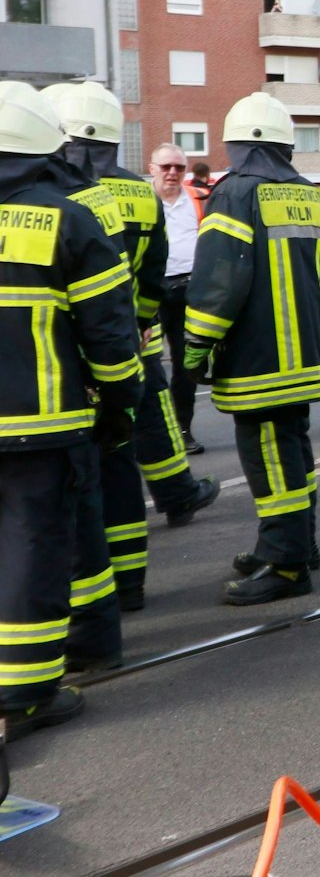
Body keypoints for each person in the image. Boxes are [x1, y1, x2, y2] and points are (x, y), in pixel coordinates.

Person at [0, 84, 143, 738]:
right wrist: (119, 404)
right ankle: (27, 692)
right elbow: (110, 335)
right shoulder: (68, 219)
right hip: (42, 426)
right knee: (33, 546)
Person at [44, 84, 219, 611]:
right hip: (126, 341)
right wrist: (139, 324)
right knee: (128, 445)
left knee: (72, 477)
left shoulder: (49, 195)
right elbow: (153, 272)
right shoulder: (139, 196)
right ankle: (131, 581)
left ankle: (80, 597)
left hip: (59, 361)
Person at [183, 93, 320, 605]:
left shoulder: (234, 193)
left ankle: (287, 566)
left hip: (257, 360)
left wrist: (196, 343)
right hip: (301, 357)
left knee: (271, 461)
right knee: (292, 452)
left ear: (236, 144)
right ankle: (296, 543)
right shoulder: (308, 194)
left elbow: (219, 279)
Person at [150, 143, 208, 455]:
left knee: (186, 365)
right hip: (151, 291)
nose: (172, 172)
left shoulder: (199, 199)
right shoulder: (143, 201)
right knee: (147, 365)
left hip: (190, 289)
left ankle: (182, 429)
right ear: (152, 169)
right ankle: (147, 433)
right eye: (166, 167)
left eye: (179, 167)